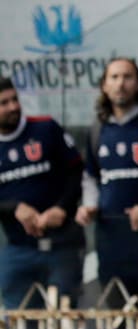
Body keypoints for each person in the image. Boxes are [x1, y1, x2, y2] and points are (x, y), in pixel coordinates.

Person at [76, 57, 138, 305]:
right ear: (104, 85)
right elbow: (90, 175)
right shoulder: (98, 129)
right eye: (114, 77)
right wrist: (89, 204)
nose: (120, 84)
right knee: (117, 315)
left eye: (127, 77)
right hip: (111, 235)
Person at [0, 78, 86, 310]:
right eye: (3, 103)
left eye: (14, 99)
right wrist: (13, 208)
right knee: (20, 325)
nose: (13, 107)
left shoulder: (45, 128)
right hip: (18, 249)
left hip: (62, 244)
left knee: (65, 319)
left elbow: (77, 172)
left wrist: (62, 207)